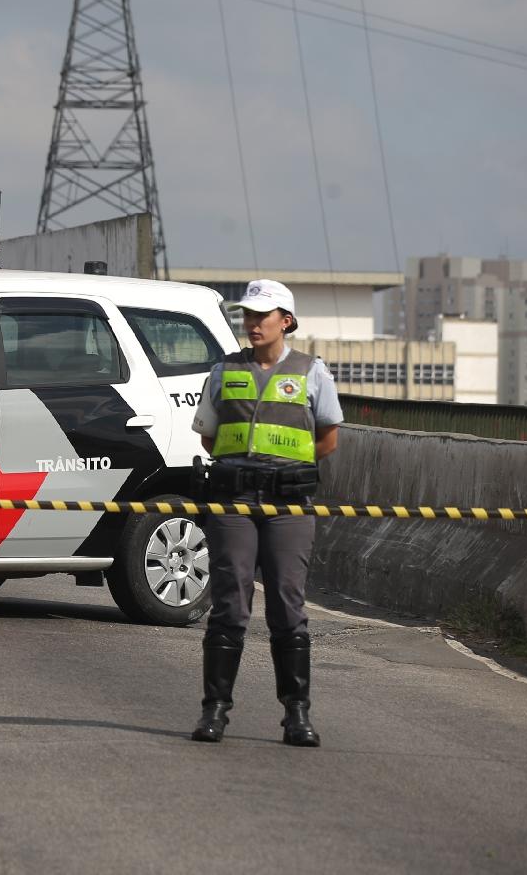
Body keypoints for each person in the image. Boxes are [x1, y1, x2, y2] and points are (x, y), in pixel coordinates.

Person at [187, 278, 343, 748]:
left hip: (289, 504)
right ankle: (214, 711)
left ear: (286, 321)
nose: (253, 323)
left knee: (287, 606)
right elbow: (208, 437)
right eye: (248, 316)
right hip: (233, 501)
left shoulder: (312, 371)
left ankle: (297, 715)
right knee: (230, 604)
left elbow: (328, 439)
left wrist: (283, 470)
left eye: (263, 316)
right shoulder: (222, 371)